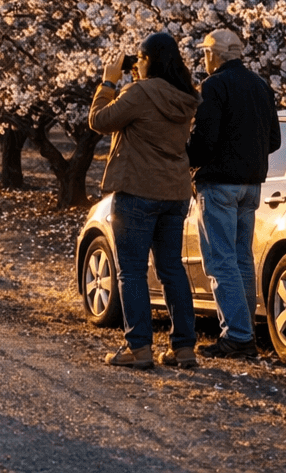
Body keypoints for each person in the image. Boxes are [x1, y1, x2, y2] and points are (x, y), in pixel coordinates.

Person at [89, 32, 201, 370]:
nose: (135, 65)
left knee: (132, 271)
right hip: (174, 193)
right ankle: (183, 347)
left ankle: (138, 346)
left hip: (138, 190)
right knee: (171, 269)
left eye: (139, 59)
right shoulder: (186, 96)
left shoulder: (139, 93)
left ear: (148, 60)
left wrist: (108, 83)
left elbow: (99, 120)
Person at [188, 28, 280, 359]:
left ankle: (237, 335)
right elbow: (274, 140)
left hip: (218, 184)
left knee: (220, 260)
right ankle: (245, 333)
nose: (204, 58)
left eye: (205, 52)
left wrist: (187, 159)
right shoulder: (261, 85)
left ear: (215, 55)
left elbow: (204, 140)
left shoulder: (214, 85)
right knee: (242, 259)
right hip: (251, 185)